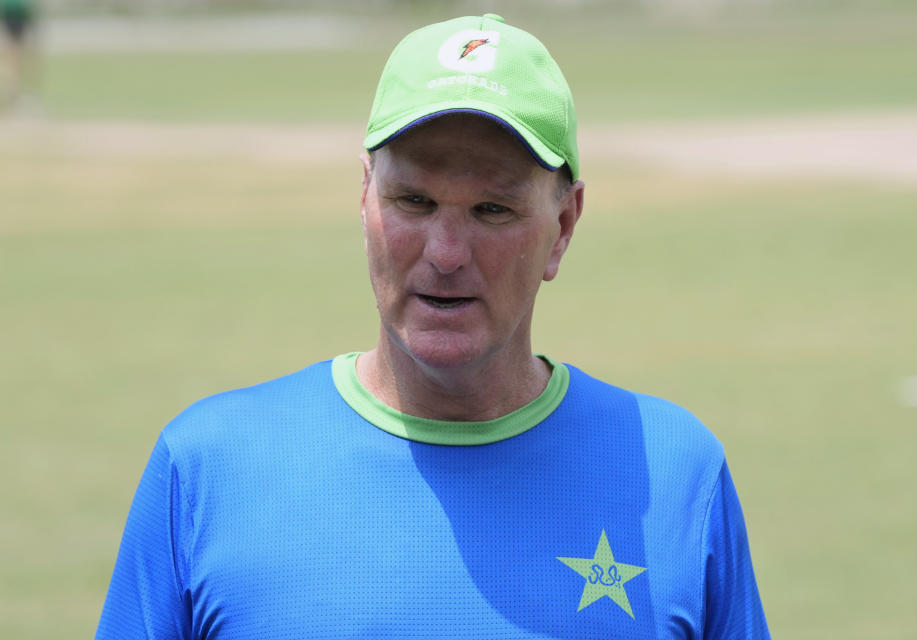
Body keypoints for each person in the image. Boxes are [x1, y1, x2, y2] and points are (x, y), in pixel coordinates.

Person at [96, 14, 770, 639]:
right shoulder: (208, 468)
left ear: (563, 227)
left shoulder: (676, 472)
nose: (446, 254)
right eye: (413, 201)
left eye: (492, 210)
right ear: (363, 199)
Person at [0, 0, 34, 108]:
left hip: (15, 23)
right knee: (14, 60)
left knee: (14, 59)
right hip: (14, 22)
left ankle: (13, 91)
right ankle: (12, 92)